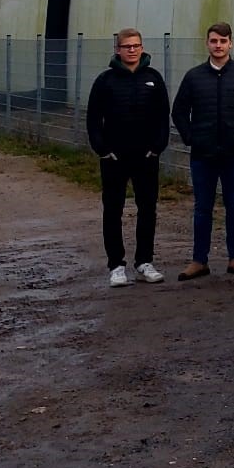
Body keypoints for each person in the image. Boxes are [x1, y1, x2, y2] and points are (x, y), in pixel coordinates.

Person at [170, 23, 234, 280]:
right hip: (203, 154)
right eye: (214, 40)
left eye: (223, 41)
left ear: (231, 43)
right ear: (207, 43)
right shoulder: (194, 77)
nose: (218, 45)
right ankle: (199, 260)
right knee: (203, 207)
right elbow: (179, 111)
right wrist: (191, 138)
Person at [86, 28, 171, 287]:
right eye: (127, 46)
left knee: (147, 209)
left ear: (142, 48)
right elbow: (93, 119)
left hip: (146, 157)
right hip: (114, 158)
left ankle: (144, 262)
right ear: (117, 50)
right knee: (113, 210)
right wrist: (102, 149)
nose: (132, 50)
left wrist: (157, 147)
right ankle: (116, 266)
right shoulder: (105, 81)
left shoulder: (154, 79)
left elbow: (162, 117)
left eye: (136, 45)